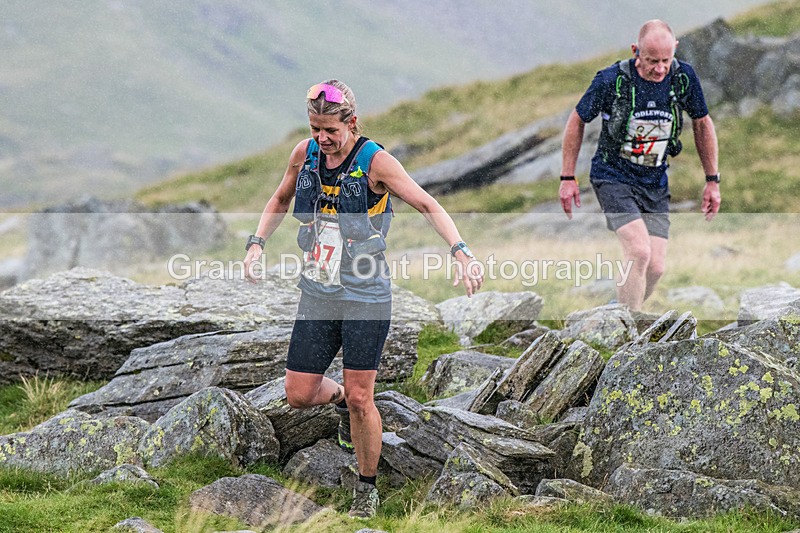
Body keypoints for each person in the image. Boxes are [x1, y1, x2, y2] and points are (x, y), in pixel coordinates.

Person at [243, 79, 483, 519]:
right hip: (318, 291)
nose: (322, 138)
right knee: (298, 394)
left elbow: (428, 204)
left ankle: (366, 489)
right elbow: (280, 197)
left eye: (330, 129)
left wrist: (460, 252)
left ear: (351, 122)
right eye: (315, 128)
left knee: (360, 395)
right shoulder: (305, 154)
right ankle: (337, 408)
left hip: (365, 294)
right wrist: (257, 242)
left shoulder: (376, 162)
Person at [559, 19, 721, 311]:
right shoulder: (612, 80)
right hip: (613, 176)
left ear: (676, 51)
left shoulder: (683, 77)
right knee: (639, 251)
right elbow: (577, 119)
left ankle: (615, 312)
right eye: (651, 61)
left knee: (656, 268)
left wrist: (712, 181)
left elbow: (702, 123)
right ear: (636, 51)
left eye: (665, 60)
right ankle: (627, 336)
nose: (659, 69)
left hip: (655, 183)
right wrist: (567, 176)